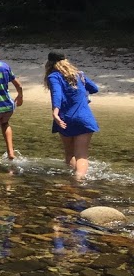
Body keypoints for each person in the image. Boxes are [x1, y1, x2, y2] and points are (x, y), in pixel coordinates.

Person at [44, 50, 99, 180]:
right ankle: (78, 180)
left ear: (49, 63)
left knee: (70, 154)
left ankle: (73, 182)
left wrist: (55, 112)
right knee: (82, 155)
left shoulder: (53, 76)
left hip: (65, 118)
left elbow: (57, 94)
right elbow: (95, 89)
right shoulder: (80, 75)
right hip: (84, 118)